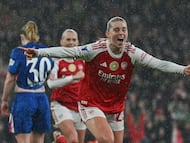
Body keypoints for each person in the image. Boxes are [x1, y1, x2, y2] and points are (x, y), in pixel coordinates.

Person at [19, 16, 190, 143]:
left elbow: (158, 64)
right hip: (90, 103)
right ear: (108, 34)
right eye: (116, 29)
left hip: (116, 108)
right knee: (106, 139)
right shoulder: (96, 49)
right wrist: (39, 53)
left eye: (124, 29)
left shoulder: (132, 53)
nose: (121, 32)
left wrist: (183, 69)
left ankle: (61, 141)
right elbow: (69, 52)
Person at [0, 21, 54, 143]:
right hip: (42, 98)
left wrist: (4, 99)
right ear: (37, 37)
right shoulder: (46, 51)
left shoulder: (19, 52)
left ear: (22, 37)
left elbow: (10, 79)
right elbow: (49, 74)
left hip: (24, 98)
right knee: (39, 140)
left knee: (23, 140)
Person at [47, 29, 86, 143]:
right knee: (73, 140)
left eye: (74, 40)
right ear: (61, 42)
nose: (71, 43)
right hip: (61, 105)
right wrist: (72, 78)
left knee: (78, 141)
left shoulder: (83, 60)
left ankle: (60, 139)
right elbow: (51, 83)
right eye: (68, 40)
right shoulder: (56, 60)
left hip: (80, 106)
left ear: (78, 42)